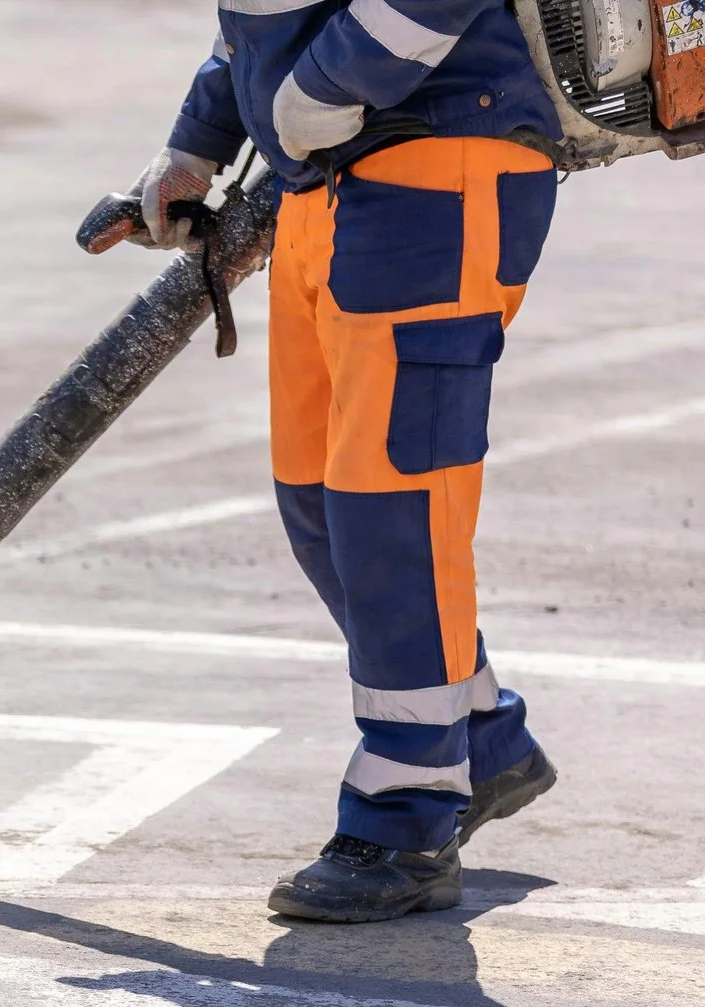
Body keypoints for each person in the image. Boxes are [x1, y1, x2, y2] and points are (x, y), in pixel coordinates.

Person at [122, 1, 567, 922]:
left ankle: (408, 813)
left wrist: (313, 95)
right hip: (331, 187)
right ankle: (477, 738)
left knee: (395, 506)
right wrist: (198, 142)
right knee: (323, 502)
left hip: (435, 171)